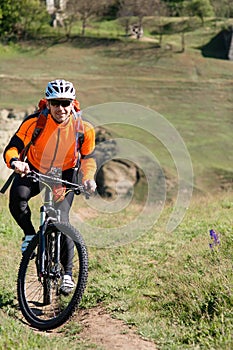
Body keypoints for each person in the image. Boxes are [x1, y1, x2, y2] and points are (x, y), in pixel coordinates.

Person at [3, 79, 97, 294]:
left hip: (64, 174)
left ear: (73, 103)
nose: (61, 108)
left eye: (66, 103)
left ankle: (67, 275)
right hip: (34, 168)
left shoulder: (84, 128)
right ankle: (29, 235)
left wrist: (88, 178)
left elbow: (88, 158)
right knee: (17, 198)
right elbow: (13, 147)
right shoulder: (34, 122)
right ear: (48, 103)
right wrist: (16, 162)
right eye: (56, 103)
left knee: (62, 220)